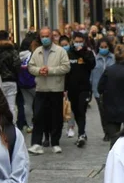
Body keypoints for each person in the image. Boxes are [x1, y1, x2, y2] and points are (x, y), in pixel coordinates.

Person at [27, 27, 71, 155]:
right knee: (38, 116)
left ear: (51, 36)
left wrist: (50, 70)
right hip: (41, 88)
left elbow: (66, 67)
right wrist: (39, 71)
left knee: (56, 117)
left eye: (47, 36)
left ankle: (55, 143)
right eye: (42, 36)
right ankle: (36, 143)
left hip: (56, 89)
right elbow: (31, 67)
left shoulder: (60, 51)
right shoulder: (37, 52)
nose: (45, 38)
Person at [97, 44, 124, 148]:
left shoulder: (108, 70)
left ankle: (113, 162)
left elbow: (100, 88)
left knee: (114, 140)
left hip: (110, 108)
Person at [65, 32, 95, 148]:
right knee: (76, 111)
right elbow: (66, 72)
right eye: (76, 41)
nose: (78, 43)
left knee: (82, 110)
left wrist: (82, 53)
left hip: (84, 88)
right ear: (72, 40)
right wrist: (65, 88)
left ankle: (81, 134)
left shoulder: (87, 53)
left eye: (80, 41)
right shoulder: (68, 53)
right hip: (72, 88)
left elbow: (92, 65)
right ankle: (82, 132)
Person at [0, 30, 22, 123]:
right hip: (10, 80)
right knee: (11, 106)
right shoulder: (12, 50)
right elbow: (17, 64)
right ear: (8, 37)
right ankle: (12, 125)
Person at [91, 38, 115, 141]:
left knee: (112, 111)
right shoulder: (94, 59)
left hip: (112, 89)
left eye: (105, 47)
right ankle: (106, 132)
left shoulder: (114, 58)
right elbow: (91, 75)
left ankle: (113, 131)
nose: (104, 49)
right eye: (102, 47)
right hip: (98, 90)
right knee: (103, 112)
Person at [17, 36, 37, 133]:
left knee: (27, 105)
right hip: (33, 83)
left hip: (22, 84)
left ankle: (30, 125)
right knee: (38, 104)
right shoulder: (32, 55)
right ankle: (39, 123)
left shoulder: (18, 55)